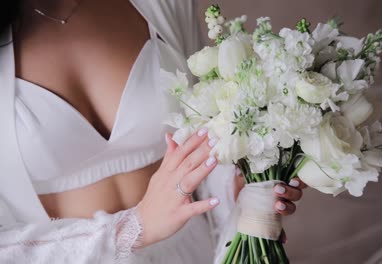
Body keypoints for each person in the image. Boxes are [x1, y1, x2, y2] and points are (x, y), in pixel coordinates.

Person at [0, 0, 306, 263]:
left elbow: (205, 120)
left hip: (192, 251)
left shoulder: (161, 5)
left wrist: (239, 184)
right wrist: (133, 228)